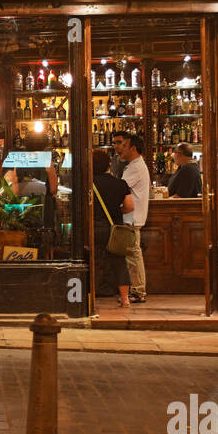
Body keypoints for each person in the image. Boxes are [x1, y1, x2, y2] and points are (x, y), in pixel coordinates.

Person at [91, 149, 134, 309]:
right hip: (114, 229)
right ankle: (125, 299)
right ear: (108, 165)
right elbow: (129, 206)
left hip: (94, 227)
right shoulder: (120, 184)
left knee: (92, 261)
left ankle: (90, 298)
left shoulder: (88, 184)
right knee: (119, 263)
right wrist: (117, 212)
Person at [113, 132, 150, 304]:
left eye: (124, 146)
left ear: (133, 148)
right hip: (132, 217)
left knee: (134, 256)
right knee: (132, 255)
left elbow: (120, 189)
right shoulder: (134, 165)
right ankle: (136, 290)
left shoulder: (135, 167)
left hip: (132, 218)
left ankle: (138, 291)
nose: (121, 149)